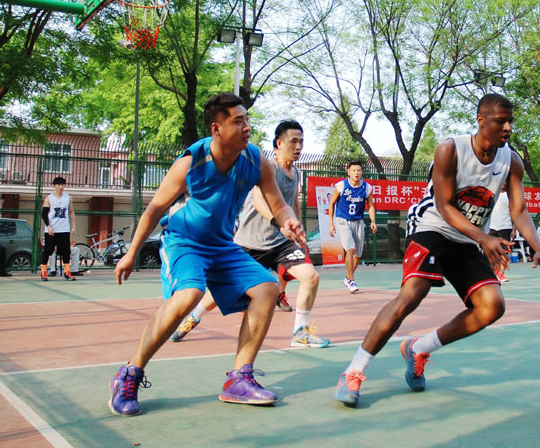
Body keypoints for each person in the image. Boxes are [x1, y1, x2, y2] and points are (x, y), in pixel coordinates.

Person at [333, 94, 540, 408]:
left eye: (510, 122)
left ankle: (419, 347)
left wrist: (539, 246)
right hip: (431, 226)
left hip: (465, 238)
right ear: (481, 119)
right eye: (500, 121)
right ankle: (353, 371)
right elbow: (445, 206)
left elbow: (519, 210)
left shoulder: (511, 160)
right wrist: (485, 238)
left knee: (492, 306)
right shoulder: (451, 149)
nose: (508, 128)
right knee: (412, 294)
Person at [107, 93, 305, 416]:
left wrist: (289, 222)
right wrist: (130, 253)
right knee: (190, 294)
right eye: (238, 121)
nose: (247, 128)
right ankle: (129, 373)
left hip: (222, 246)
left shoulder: (256, 160)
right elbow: (156, 207)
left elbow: (278, 204)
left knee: (267, 288)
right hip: (184, 241)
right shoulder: (192, 161)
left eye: (247, 120)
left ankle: (239, 378)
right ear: (217, 128)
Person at [170, 120, 329, 348]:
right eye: (293, 141)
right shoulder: (268, 168)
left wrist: (296, 229)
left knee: (311, 277)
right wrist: (278, 222)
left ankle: (300, 332)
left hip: (279, 244)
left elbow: (292, 204)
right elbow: (259, 200)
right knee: (218, 293)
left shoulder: (296, 172)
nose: (298, 146)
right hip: (249, 243)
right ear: (279, 143)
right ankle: (192, 318)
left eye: (301, 141)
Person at [328, 161, 377, 293]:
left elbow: (371, 205)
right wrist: (331, 224)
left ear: (362, 173)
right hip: (343, 219)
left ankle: (347, 278)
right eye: (354, 170)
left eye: (359, 170)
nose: (356, 173)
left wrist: (373, 221)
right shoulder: (341, 186)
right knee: (350, 248)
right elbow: (332, 203)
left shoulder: (367, 188)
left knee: (357, 255)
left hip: (358, 221)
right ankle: (352, 280)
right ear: (348, 172)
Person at [40, 176, 76, 281]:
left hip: (64, 229)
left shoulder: (68, 198)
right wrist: (48, 226)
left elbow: (71, 212)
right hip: (51, 230)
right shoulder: (49, 198)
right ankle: (43, 272)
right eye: (58, 185)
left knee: (66, 252)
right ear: (54, 186)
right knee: (48, 251)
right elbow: (44, 215)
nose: (60, 187)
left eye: (62, 185)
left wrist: (73, 226)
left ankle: (67, 272)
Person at [488, 184, 513, 282]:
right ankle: (495, 272)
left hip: (505, 227)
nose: (503, 183)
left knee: (504, 252)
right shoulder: (492, 194)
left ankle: (501, 273)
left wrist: (514, 229)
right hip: (491, 226)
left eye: (505, 181)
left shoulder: (509, 196)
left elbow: (514, 212)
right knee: (492, 252)